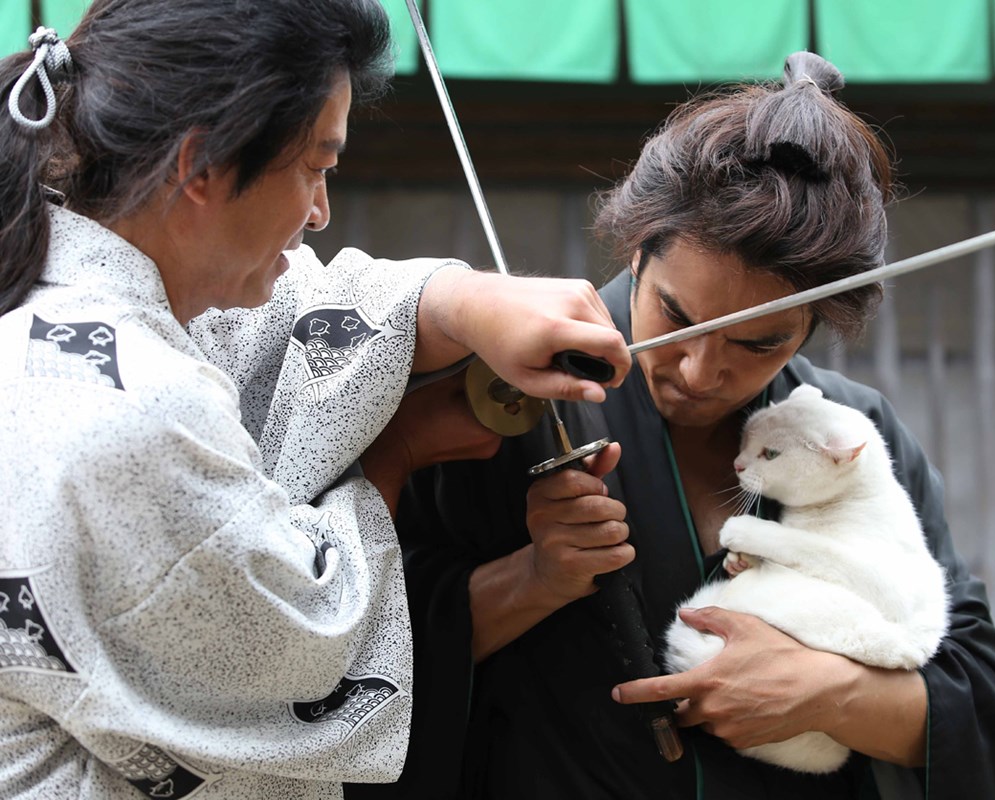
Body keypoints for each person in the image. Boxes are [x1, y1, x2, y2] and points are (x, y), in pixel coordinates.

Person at [0, 2, 630, 798]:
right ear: (201, 167)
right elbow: (300, 650)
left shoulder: (74, 287)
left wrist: (467, 302)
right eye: (315, 167)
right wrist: (392, 457)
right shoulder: (118, 412)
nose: (321, 211)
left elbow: (301, 311)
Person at [384, 52, 995, 799]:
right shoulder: (499, 399)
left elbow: (982, 710)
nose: (698, 372)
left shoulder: (853, 434)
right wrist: (534, 579)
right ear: (639, 249)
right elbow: (343, 647)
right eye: (676, 317)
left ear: (814, 324)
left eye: (758, 344)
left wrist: (830, 694)